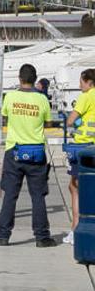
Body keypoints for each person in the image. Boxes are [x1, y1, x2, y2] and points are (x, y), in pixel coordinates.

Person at [0, 64, 56, 248]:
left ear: (19, 78)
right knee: (38, 196)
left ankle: (3, 236)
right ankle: (42, 237)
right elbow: (48, 123)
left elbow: (5, 116)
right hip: (36, 152)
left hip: (14, 150)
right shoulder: (42, 99)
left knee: (10, 195)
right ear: (35, 79)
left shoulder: (11, 97)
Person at [63, 69, 95, 245]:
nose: (79, 85)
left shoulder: (86, 97)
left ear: (89, 82)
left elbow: (70, 120)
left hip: (83, 147)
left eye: (81, 82)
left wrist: (76, 121)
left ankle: (76, 229)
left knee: (75, 187)